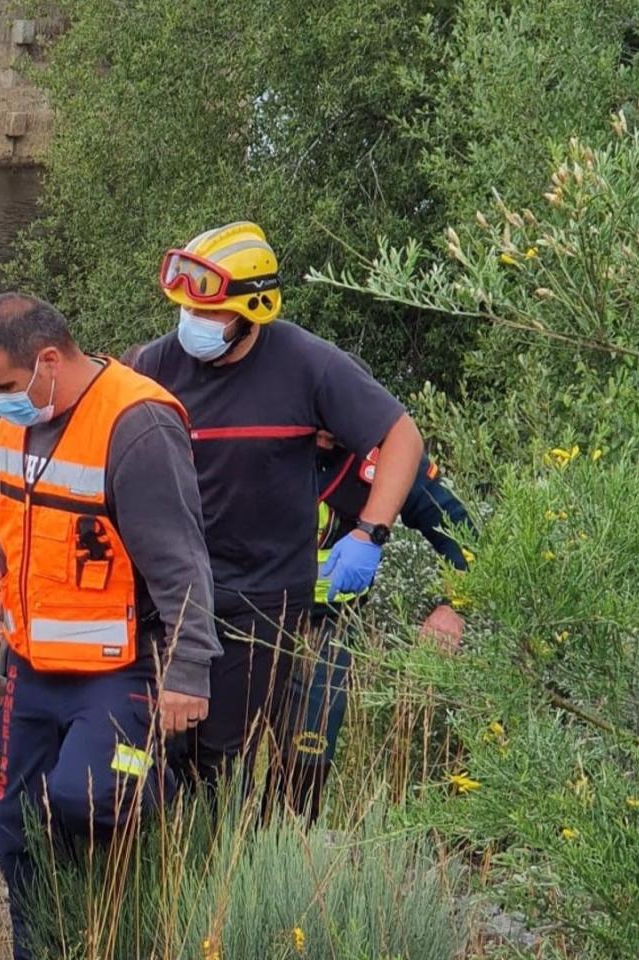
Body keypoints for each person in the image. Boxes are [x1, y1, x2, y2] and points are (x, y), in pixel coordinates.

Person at [0, 294, 220, 960]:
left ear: (48, 360)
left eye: (5, 388)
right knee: (15, 820)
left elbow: (182, 565)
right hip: (29, 667)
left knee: (86, 798)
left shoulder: (135, 424)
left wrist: (188, 672)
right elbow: (22, 539)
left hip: (118, 669)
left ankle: (160, 792)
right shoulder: (17, 423)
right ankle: (43, 945)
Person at [131, 220, 426, 795]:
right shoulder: (153, 366)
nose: (193, 324)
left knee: (222, 746)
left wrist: (369, 534)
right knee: (163, 743)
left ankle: (241, 854)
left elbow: (401, 437)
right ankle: (176, 857)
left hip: (266, 596)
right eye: (185, 309)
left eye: (209, 314)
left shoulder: (306, 364)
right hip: (174, 592)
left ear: (253, 310)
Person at [281, 431, 475, 818]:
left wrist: (455, 606)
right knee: (215, 745)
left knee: (309, 750)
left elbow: (458, 530)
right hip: (246, 616)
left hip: (328, 627)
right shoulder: (273, 428)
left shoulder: (388, 454)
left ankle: (288, 841)